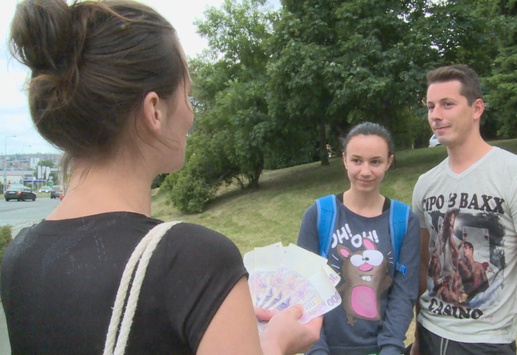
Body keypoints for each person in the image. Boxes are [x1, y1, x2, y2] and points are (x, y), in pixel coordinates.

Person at [1, 1, 321, 354]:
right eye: (188, 93)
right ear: (154, 109)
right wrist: (275, 344)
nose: (190, 114)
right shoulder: (194, 261)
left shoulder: (20, 255)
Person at [410, 65, 517, 354]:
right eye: (431, 106)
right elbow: (424, 271)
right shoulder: (425, 184)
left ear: (477, 108)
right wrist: (417, 338)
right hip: (429, 336)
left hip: (486, 343)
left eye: (447, 104)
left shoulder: (516, 175)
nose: (436, 115)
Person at [297, 122, 421, 355]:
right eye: (357, 161)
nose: (365, 171)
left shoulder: (404, 220)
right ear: (344, 160)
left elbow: (404, 294)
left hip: (381, 349)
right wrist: (316, 349)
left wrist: (390, 349)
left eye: (375, 161)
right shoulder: (319, 214)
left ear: (389, 162)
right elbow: (305, 291)